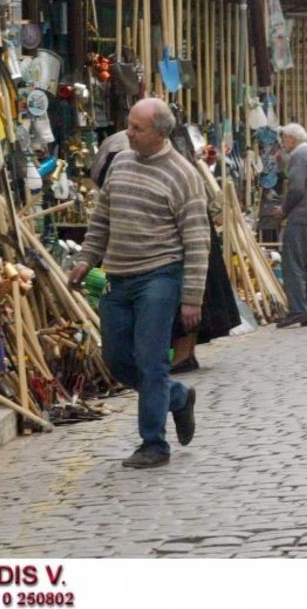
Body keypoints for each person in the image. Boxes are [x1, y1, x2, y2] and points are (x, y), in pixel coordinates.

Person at [69, 98, 209, 469]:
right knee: (117, 360)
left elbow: (197, 240)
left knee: (151, 361)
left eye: (137, 128)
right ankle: (177, 397)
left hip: (159, 276)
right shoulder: (121, 162)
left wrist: (192, 296)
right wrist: (86, 258)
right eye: (128, 125)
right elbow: (102, 218)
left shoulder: (183, 175)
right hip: (119, 274)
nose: (127, 133)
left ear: (161, 133)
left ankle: (154, 444)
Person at [274, 123, 307, 329]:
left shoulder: (300, 156)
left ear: (293, 139)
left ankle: (298, 310)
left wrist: (283, 210)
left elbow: (296, 188)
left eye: (285, 138)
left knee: (294, 264)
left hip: (302, 217)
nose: (283, 142)